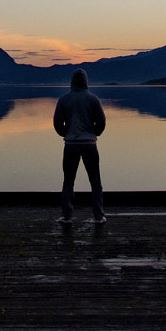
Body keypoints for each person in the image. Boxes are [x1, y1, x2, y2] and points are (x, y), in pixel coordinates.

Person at [53, 68, 106, 223]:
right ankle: (98, 215)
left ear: (71, 82)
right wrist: (94, 133)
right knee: (95, 180)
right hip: (89, 143)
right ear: (85, 81)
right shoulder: (93, 99)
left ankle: (67, 216)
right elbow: (101, 122)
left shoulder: (63, 100)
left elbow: (57, 123)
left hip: (71, 144)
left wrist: (66, 134)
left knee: (68, 180)